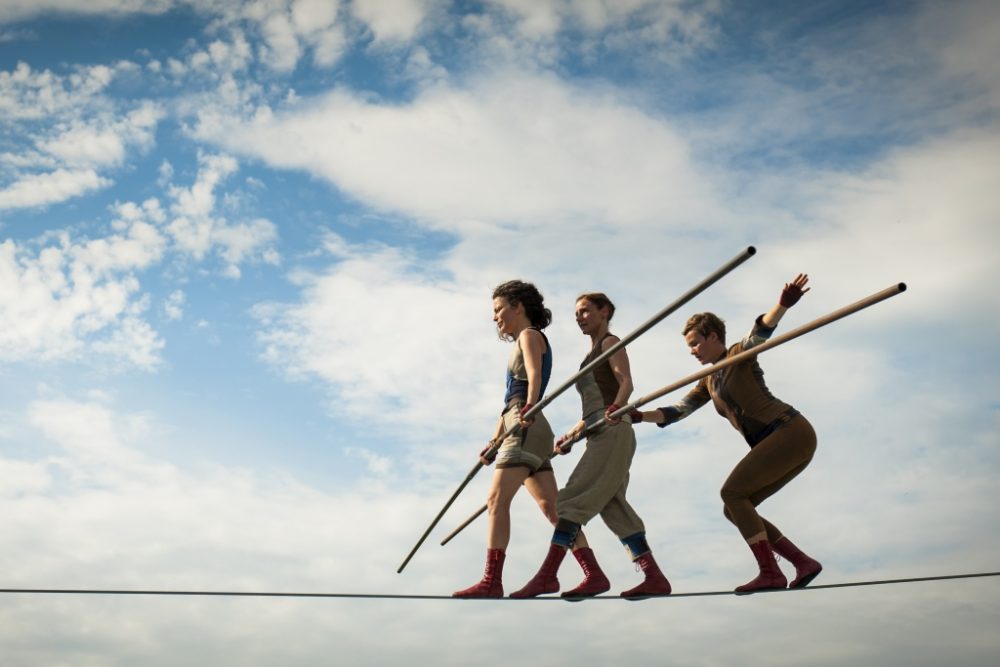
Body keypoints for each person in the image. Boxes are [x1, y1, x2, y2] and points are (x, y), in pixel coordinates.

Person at [631, 273, 823, 593]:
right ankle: (802, 562)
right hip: (781, 442)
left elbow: (760, 332)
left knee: (732, 493)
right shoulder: (707, 380)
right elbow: (677, 411)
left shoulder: (737, 354)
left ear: (713, 336)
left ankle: (770, 572)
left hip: (789, 431)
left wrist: (783, 305)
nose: (692, 351)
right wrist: (637, 416)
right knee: (735, 506)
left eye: (695, 343)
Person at [510, 292, 671, 600]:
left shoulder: (610, 343)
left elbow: (626, 383)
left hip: (613, 430)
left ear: (604, 311)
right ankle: (654, 576)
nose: (579, 317)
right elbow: (592, 411)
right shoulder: (589, 356)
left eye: (585, 311)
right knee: (615, 508)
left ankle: (551, 576)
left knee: (568, 502)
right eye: (577, 313)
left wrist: (619, 407)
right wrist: (573, 434)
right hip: (600, 431)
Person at [453, 280, 561, 598]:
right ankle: (591, 570)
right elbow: (510, 403)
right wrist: (495, 440)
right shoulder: (523, 339)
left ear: (518, 307)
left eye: (499, 309)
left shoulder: (528, 335)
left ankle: (491, 581)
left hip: (526, 424)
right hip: (531, 427)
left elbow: (534, 376)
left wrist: (530, 406)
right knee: (552, 507)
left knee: (496, 502)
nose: (495, 317)